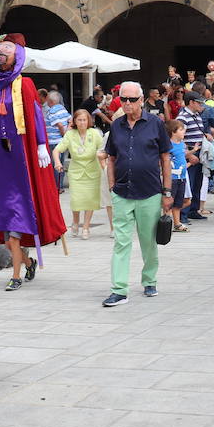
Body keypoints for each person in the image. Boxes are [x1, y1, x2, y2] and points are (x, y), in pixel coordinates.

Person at [0, 34, 67, 291]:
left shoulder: (25, 84)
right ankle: (27, 262)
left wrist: (42, 144)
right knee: (2, 227)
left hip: (19, 160)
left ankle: (15, 276)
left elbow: (35, 115)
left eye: (7, 48)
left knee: (15, 222)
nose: (0, 51)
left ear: (17, 56)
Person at [102, 82, 172, 307]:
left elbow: (165, 158)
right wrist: (111, 185)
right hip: (122, 192)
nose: (127, 103)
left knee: (148, 241)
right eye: (123, 99)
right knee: (121, 242)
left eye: (132, 99)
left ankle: (149, 280)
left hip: (149, 192)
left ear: (141, 100)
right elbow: (111, 157)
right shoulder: (116, 125)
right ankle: (119, 290)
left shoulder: (155, 123)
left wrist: (167, 191)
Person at [53, 108, 103, 239]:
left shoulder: (94, 133)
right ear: (74, 121)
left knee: (91, 200)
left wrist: (102, 158)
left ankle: (86, 227)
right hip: (76, 172)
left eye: (84, 120)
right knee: (76, 200)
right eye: (79, 120)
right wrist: (57, 163)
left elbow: (103, 149)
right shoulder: (70, 135)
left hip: (93, 171)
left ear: (88, 121)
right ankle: (75, 222)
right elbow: (56, 150)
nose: (82, 123)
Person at [178, 92, 210, 220]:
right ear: (191, 102)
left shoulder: (197, 116)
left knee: (197, 183)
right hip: (190, 153)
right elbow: (178, 138)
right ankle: (183, 213)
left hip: (199, 152)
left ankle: (193, 210)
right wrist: (189, 155)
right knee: (188, 184)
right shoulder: (183, 117)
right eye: (199, 102)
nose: (201, 105)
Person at [166, 118, 191, 231]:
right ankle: (166, 223)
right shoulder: (168, 145)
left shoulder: (182, 144)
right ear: (173, 132)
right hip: (172, 178)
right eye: (181, 129)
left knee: (178, 202)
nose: (184, 131)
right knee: (169, 201)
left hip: (182, 177)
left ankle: (177, 223)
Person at [44, 89, 71, 191]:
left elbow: (59, 124)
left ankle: (57, 187)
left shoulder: (51, 111)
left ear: (50, 101)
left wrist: (64, 133)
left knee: (55, 164)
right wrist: (67, 133)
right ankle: (60, 185)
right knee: (61, 163)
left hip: (54, 142)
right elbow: (70, 120)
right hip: (62, 142)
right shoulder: (63, 109)